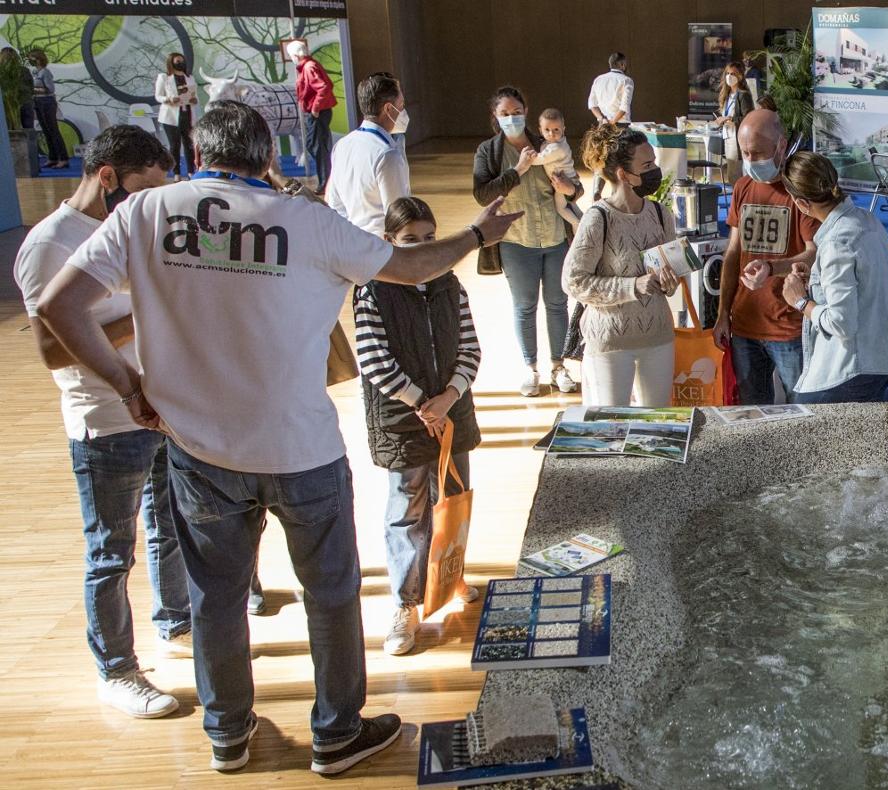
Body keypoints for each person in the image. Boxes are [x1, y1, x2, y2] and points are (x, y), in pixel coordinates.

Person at [36, 100, 521, 775]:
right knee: (330, 592)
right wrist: (478, 234)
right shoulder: (307, 221)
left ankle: (227, 733)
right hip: (302, 449)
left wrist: (128, 384)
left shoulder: (147, 213)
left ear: (199, 154)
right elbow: (413, 269)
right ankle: (337, 733)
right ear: (269, 158)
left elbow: (58, 308)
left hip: (199, 450)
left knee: (216, 597)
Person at [12, 125, 191, 719]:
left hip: (164, 407)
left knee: (171, 525)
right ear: (107, 176)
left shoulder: (134, 226)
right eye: (143, 187)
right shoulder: (48, 244)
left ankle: (176, 621)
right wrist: (144, 312)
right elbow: (53, 350)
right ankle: (116, 670)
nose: (150, 202)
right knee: (112, 552)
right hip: (106, 421)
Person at [354, 197, 482, 656]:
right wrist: (420, 403)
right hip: (403, 421)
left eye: (430, 240)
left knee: (452, 496)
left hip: (451, 414)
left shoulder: (450, 286)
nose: (424, 249)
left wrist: (448, 398)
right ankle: (406, 603)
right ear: (390, 243)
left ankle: (449, 575)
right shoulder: (372, 289)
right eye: (411, 242)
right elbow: (372, 358)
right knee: (408, 509)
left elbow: (470, 348)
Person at [473, 85, 582, 397]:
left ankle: (559, 366)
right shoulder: (489, 152)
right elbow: (482, 194)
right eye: (505, 114)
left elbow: (575, 188)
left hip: (554, 236)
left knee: (558, 303)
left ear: (526, 112)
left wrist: (569, 189)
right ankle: (530, 368)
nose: (512, 118)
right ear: (495, 116)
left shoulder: (547, 141)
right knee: (524, 306)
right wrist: (517, 170)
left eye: (517, 112)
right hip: (515, 241)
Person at [564, 125, 679, 407]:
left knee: (655, 428)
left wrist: (669, 282)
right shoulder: (598, 219)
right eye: (647, 165)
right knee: (610, 428)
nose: (655, 170)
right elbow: (574, 281)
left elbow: (669, 277)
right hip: (610, 341)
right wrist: (632, 286)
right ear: (623, 174)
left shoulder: (661, 214)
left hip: (659, 337)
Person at [714, 109, 819, 405]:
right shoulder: (742, 188)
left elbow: (813, 253)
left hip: (788, 327)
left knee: (802, 408)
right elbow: (733, 253)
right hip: (745, 326)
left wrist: (773, 268)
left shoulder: (800, 191)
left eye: (758, 153)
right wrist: (723, 313)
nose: (751, 160)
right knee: (752, 413)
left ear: (781, 146)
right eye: (745, 153)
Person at [777, 152, 888, 403]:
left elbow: (842, 323)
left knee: (802, 410)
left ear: (801, 204)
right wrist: (816, 277)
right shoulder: (869, 221)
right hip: (881, 361)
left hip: (849, 370)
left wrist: (800, 301)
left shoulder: (836, 241)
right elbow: (863, 286)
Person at [326, 72, 411, 236]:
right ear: (388, 108)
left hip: (351, 239)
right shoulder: (387, 154)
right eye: (401, 105)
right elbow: (398, 213)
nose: (403, 112)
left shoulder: (341, 145)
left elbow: (333, 201)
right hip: (381, 244)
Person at [288, 40, 336, 194]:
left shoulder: (309, 67)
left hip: (318, 113)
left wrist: (315, 108)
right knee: (315, 146)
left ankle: (325, 182)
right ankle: (325, 180)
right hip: (318, 112)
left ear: (295, 55)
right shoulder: (309, 66)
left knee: (317, 147)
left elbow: (323, 87)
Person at [588, 52, 635, 201]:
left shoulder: (598, 79)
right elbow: (624, 107)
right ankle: (618, 193)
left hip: (603, 124)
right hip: (620, 124)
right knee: (621, 159)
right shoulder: (627, 80)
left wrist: (602, 119)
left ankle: (597, 190)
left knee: (601, 156)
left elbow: (591, 104)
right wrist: (613, 122)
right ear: (622, 64)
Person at [533, 108, 583, 232]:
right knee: (571, 204)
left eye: (556, 129)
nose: (551, 134)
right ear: (540, 130)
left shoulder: (557, 148)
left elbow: (538, 160)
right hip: (570, 179)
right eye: (547, 130)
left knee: (561, 208)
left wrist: (527, 158)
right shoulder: (551, 142)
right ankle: (583, 220)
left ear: (563, 129)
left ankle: (576, 223)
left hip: (564, 182)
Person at [154, 52, 199, 181]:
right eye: (177, 61)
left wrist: (194, 100)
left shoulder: (190, 77)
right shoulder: (164, 77)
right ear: (171, 62)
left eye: (182, 61)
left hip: (188, 114)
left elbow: (194, 96)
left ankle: (191, 171)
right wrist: (168, 99)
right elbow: (158, 96)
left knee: (189, 144)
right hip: (171, 116)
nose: (180, 63)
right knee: (175, 145)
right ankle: (176, 173)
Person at [711, 61, 755, 181]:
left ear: (740, 76)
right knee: (731, 174)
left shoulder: (743, 95)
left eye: (733, 74)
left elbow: (749, 118)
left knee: (737, 175)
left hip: (738, 139)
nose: (729, 77)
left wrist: (730, 119)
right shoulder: (727, 94)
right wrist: (722, 120)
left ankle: (739, 198)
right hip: (728, 136)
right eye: (728, 73)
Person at [28, 48, 69, 169]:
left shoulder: (45, 72)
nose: (30, 61)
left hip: (47, 102)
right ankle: (53, 157)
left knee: (53, 131)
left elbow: (50, 89)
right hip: (38, 102)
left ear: (39, 59)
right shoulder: (36, 72)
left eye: (32, 58)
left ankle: (63, 158)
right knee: (46, 131)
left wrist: (33, 89)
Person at [0, 47, 35, 129]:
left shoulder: (2, 72)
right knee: (29, 129)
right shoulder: (24, 70)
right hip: (25, 102)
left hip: (9, 106)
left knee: (10, 130)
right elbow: (31, 88)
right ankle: (31, 142)